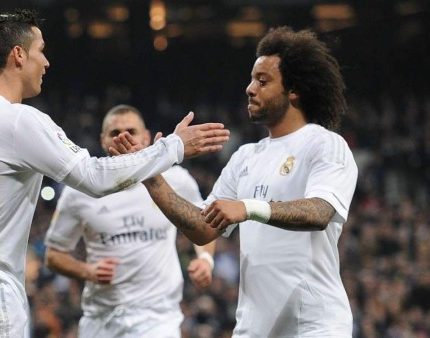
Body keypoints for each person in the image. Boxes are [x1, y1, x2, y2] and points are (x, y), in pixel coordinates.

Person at [0, 9, 229, 338]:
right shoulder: (17, 120)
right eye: (40, 51)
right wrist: (173, 147)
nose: (46, 62)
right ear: (18, 55)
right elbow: (94, 177)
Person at [113, 26, 358, 337]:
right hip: (253, 328)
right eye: (251, 79)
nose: (249, 88)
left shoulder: (324, 144)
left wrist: (248, 207)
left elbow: (320, 212)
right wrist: (150, 176)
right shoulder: (245, 157)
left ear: (294, 90)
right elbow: (203, 229)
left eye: (263, 81)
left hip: (314, 325)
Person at [44, 104, 216, 338]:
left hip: (157, 318)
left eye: (131, 131)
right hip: (101, 319)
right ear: (103, 139)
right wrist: (87, 271)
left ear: (146, 137)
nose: (123, 136)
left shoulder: (176, 180)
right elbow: (54, 255)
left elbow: (203, 224)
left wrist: (205, 259)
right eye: (115, 133)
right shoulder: (78, 192)